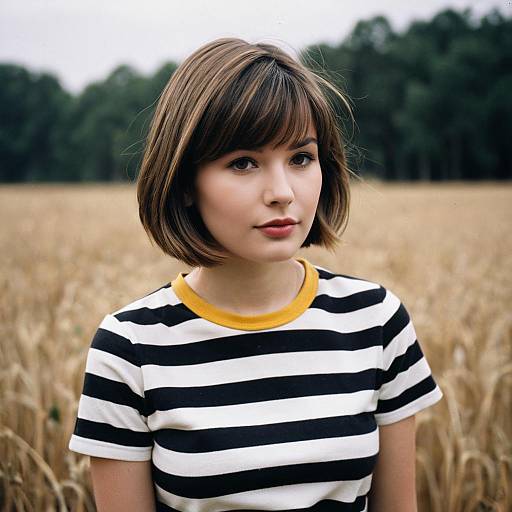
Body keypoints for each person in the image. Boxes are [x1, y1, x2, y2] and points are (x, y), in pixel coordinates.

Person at [68, 37, 443, 512]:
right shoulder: (129, 349)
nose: (283, 192)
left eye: (301, 158)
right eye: (243, 162)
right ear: (184, 182)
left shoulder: (375, 321)